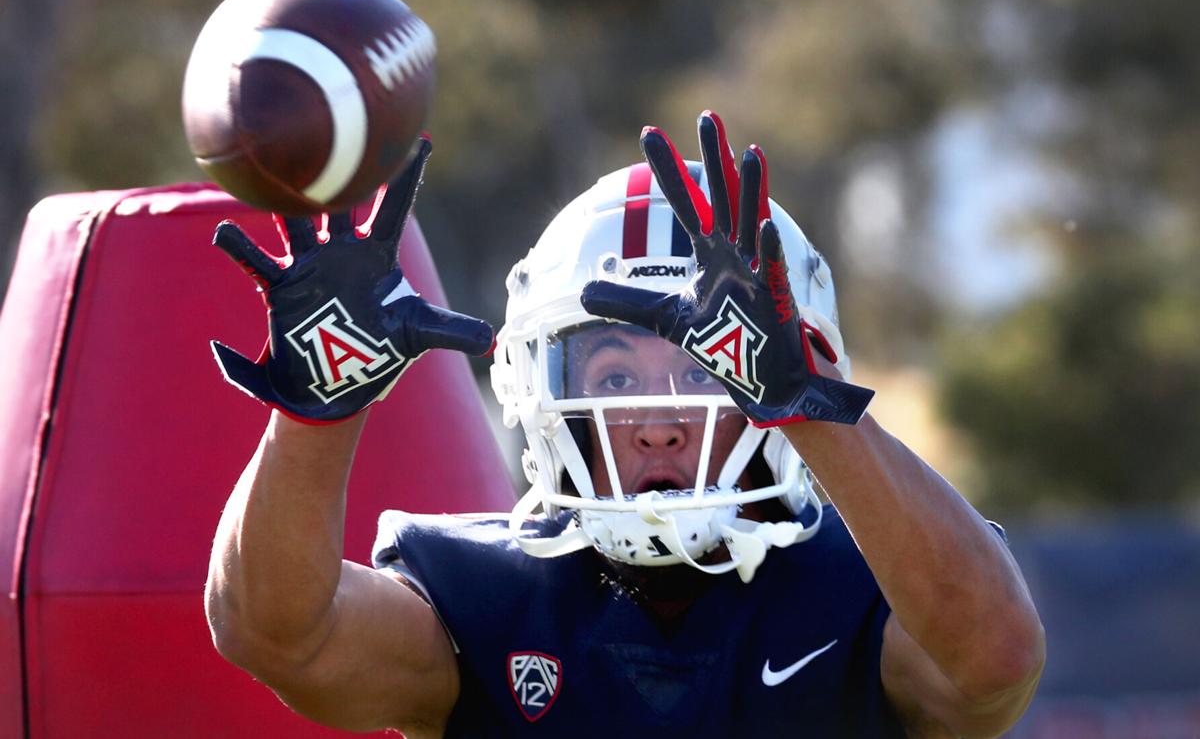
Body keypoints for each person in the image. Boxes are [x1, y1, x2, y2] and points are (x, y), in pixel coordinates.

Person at [205, 112, 1045, 738]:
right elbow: (279, 636)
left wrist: (809, 406)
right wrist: (313, 414)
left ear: (796, 366)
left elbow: (996, 663)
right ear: (538, 388)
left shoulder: (871, 587)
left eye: (707, 369)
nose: (655, 421)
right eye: (612, 376)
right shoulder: (484, 597)